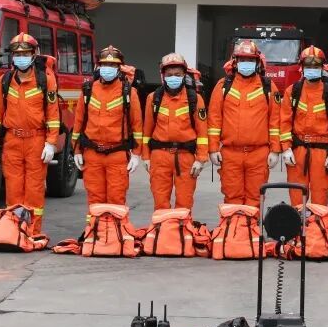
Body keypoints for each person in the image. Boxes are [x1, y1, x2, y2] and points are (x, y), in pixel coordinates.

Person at [0, 32, 59, 235]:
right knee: (13, 190)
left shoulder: (45, 80)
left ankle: (33, 233)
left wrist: (51, 143)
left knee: (34, 190)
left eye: (25, 54)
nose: (21, 58)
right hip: (12, 141)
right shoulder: (4, 81)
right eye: (17, 54)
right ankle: (14, 232)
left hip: (36, 140)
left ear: (34, 54)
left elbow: (53, 115)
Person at [207, 40, 281, 206]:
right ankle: (234, 224)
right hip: (230, 153)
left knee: (255, 198)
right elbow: (214, 120)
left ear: (257, 62)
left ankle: (251, 224)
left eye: (250, 60)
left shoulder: (268, 87)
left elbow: (275, 121)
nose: (246, 63)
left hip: (259, 154)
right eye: (242, 60)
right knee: (232, 197)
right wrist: (213, 148)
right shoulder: (223, 86)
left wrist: (275, 150)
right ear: (235, 62)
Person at [72, 45, 142, 207]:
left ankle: (114, 225)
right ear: (99, 66)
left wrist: (137, 154)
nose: (107, 68)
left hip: (117, 155)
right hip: (92, 154)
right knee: (94, 201)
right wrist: (76, 150)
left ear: (119, 68)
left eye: (112, 65)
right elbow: (79, 122)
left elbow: (137, 125)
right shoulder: (88, 90)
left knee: (116, 200)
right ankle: (95, 225)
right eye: (104, 64)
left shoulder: (129, 92)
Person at [142, 52, 207, 211]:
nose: (173, 78)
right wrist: (146, 156)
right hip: (159, 157)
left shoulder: (195, 99)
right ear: (163, 76)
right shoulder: (153, 98)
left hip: (185, 157)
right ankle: (162, 227)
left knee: (184, 204)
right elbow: (147, 131)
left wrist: (201, 159)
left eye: (177, 74)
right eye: (169, 75)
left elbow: (202, 132)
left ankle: (183, 227)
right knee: (160, 203)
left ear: (184, 75)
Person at [279, 46, 328, 206]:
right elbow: (284, 122)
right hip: (297, 150)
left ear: (322, 67)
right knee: (297, 195)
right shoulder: (293, 91)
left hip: (322, 152)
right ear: (302, 67)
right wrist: (286, 148)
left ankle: (318, 223)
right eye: (308, 65)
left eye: (316, 66)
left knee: (320, 196)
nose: (312, 69)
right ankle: (298, 222)